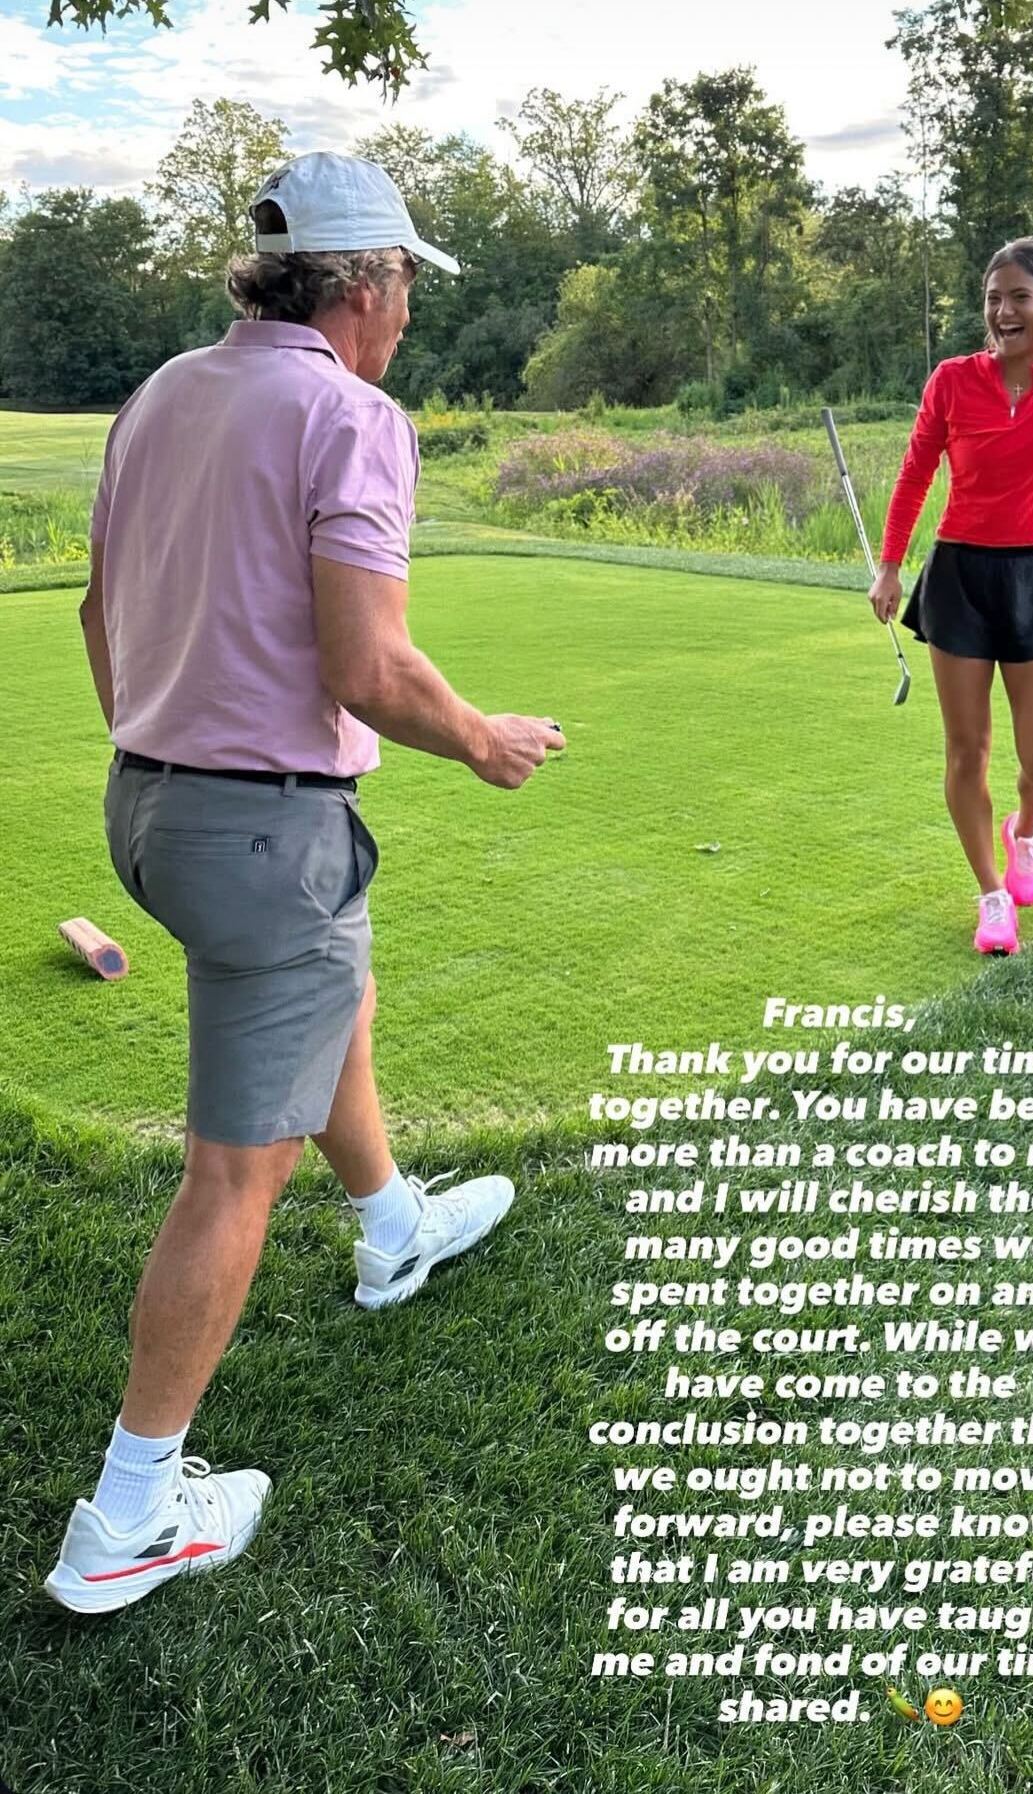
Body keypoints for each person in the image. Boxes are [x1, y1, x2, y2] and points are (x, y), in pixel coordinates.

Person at [45, 151, 565, 1615]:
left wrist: (171, 738)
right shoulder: (350, 411)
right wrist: (481, 737)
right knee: (232, 1172)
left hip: (146, 807)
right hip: (260, 828)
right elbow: (369, 665)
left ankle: (393, 1225)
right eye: (403, 281)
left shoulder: (162, 391)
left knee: (335, 969)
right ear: (364, 285)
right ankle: (127, 1519)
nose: (406, 310)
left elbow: (101, 609)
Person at [868, 236, 1033, 955]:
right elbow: (915, 472)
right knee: (967, 751)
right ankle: (992, 895)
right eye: (993, 298)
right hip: (960, 576)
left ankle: (1023, 832)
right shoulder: (954, 380)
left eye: (1020, 296)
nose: (1003, 311)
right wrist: (890, 567)